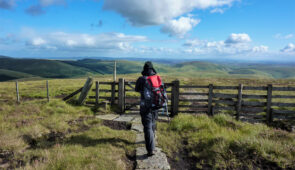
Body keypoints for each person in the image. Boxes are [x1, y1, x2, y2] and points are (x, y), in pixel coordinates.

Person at [135, 61, 166, 157]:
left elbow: (136, 89)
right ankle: (152, 140)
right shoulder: (157, 78)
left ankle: (150, 150)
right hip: (156, 105)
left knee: (147, 126)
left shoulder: (142, 79)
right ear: (152, 69)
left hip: (145, 107)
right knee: (152, 123)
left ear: (144, 69)